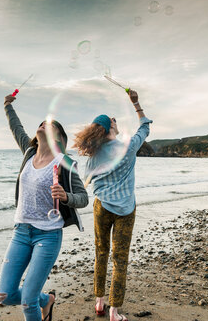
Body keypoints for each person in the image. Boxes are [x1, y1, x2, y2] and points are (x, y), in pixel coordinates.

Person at [0, 94, 89, 321]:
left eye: (51, 125)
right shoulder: (28, 153)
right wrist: (8, 105)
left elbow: (83, 198)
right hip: (21, 232)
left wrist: (66, 196)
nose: (43, 125)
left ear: (58, 137)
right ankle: (46, 300)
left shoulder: (65, 164)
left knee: (28, 303)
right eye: (41, 123)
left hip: (47, 235)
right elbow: (15, 127)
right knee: (5, 295)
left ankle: (39, 303)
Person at [73, 89, 152, 321]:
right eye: (113, 120)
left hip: (101, 207)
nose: (116, 121)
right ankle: (114, 312)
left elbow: (87, 181)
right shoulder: (127, 146)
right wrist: (136, 104)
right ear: (109, 128)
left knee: (101, 253)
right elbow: (145, 127)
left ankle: (99, 303)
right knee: (120, 258)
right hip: (125, 209)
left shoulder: (93, 156)